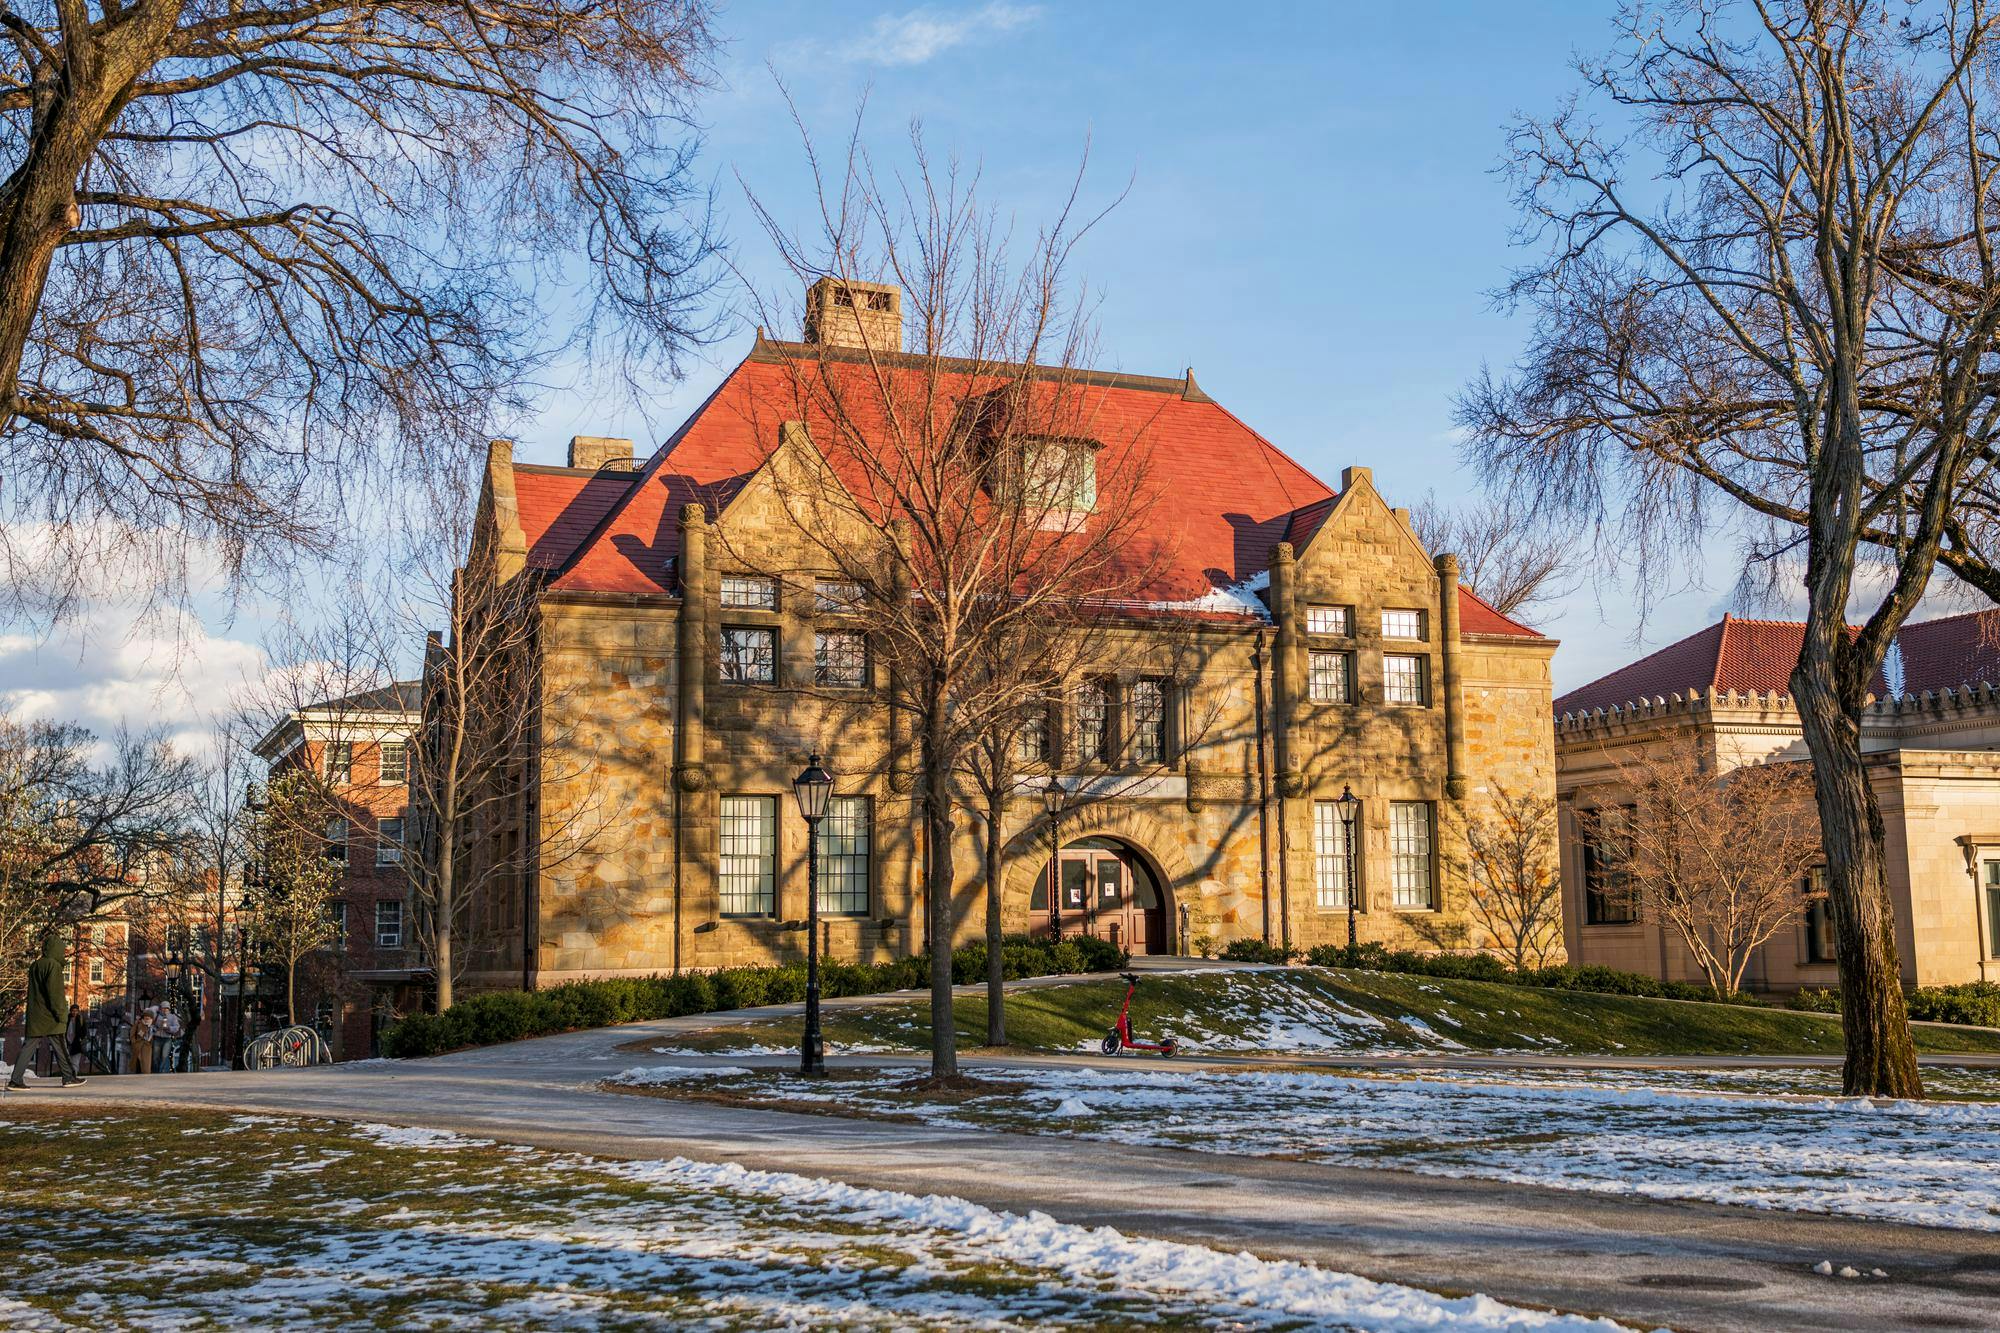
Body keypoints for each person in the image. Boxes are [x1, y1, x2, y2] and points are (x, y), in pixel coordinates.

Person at [6, 932, 84, 1090]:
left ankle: (15, 1080)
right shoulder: (53, 966)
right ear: (56, 950)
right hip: (51, 1016)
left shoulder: (36, 965)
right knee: (60, 1046)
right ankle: (68, 1078)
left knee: (28, 1047)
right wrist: (62, 1014)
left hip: (36, 1014)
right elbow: (54, 994)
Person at [130, 997, 155, 1075]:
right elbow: (133, 1034)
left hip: (147, 1046)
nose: (147, 1019)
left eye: (149, 1018)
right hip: (138, 1044)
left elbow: (152, 1036)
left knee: (146, 1065)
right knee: (137, 1063)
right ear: (143, 1017)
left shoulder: (152, 1026)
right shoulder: (138, 1024)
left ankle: (145, 1078)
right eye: (146, 1017)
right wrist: (134, 1042)